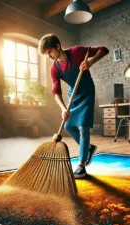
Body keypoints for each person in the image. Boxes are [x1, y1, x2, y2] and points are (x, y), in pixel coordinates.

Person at [38, 34, 109, 179]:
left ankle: (81, 165)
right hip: (73, 93)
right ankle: (89, 148)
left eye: (49, 52)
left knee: (83, 128)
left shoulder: (77, 52)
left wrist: (90, 62)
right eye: (46, 54)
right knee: (68, 126)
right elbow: (56, 92)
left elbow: (104, 50)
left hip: (87, 91)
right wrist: (63, 108)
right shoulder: (55, 69)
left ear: (58, 46)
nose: (49, 56)